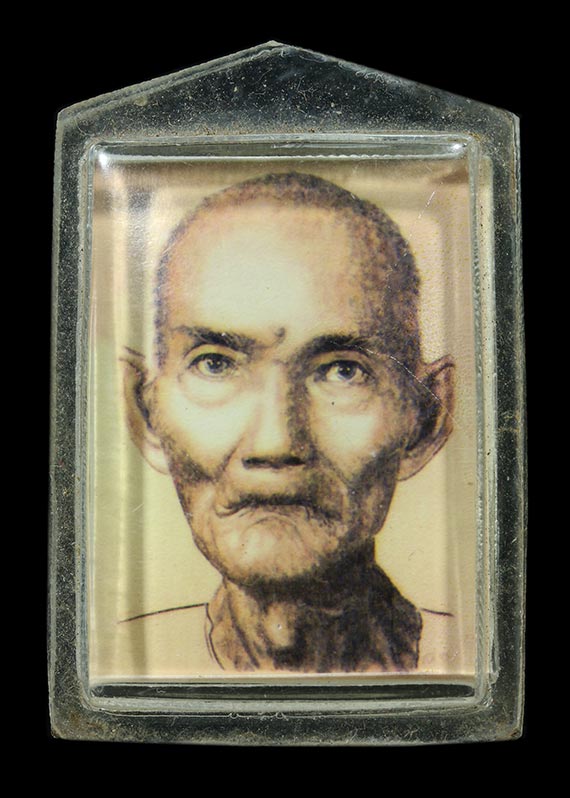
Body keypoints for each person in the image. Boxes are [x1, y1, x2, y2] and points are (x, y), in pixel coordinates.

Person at [121, 172, 455, 675]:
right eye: (216, 364)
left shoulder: (468, 659)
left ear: (426, 418)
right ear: (146, 414)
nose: (275, 443)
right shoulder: (125, 665)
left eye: (342, 371)